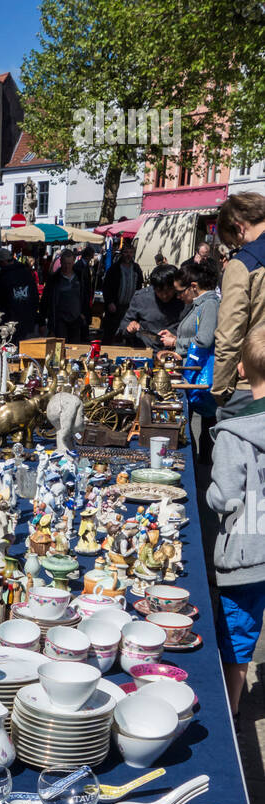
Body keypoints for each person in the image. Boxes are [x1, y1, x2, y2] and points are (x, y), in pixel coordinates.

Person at [206, 324, 265, 717]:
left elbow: (224, 496)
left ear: (242, 369)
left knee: (236, 638)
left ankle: (231, 712)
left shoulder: (234, 433)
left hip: (247, 549)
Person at [159, 258, 220, 471]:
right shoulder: (201, 304)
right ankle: (198, 464)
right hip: (192, 370)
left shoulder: (209, 304)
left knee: (204, 420)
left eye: (180, 291)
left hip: (199, 372)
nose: (179, 296)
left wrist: (176, 342)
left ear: (193, 287)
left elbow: (204, 340)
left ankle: (201, 468)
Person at [212, 192, 265, 417]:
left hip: (253, 383)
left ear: (239, 227)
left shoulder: (243, 263)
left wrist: (221, 390)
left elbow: (229, 334)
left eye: (234, 242)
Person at [119, 263, 183, 348]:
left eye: (168, 290)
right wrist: (130, 327)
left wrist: (176, 339)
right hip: (145, 350)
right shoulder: (141, 298)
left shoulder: (184, 299)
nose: (164, 295)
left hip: (175, 350)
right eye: (159, 291)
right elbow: (124, 325)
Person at [40, 248, 89, 341]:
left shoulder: (80, 276)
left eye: (69, 264)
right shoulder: (54, 279)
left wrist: (84, 313)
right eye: (65, 263)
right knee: (60, 347)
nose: (67, 266)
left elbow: (85, 296)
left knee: (75, 348)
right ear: (61, 262)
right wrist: (42, 321)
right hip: (59, 320)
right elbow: (45, 300)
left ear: (74, 262)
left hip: (75, 319)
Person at [100, 240, 144, 342]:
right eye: (126, 252)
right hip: (116, 306)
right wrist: (109, 302)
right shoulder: (114, 268)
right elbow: (106, 286)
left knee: (128, 334)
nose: (128, 255)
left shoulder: (136, 268)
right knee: (111, 334)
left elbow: (140, 286)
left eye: (130, 252)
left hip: (130, 307)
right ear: (122, 253)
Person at [0, 247, 39, 339]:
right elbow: (35, 296)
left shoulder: (2, 277)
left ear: (2, 262)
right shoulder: (26, 272)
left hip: (9, 320)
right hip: (27, 319)